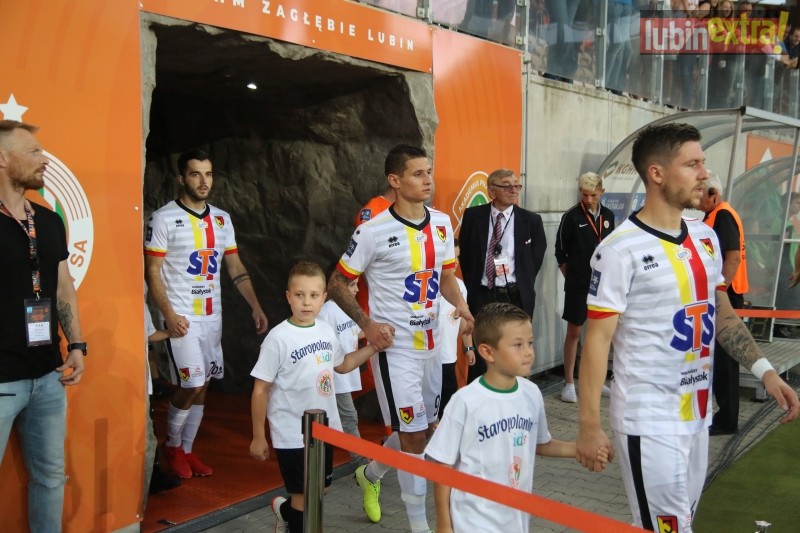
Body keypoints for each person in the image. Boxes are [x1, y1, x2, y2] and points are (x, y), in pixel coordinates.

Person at [576, 123, 799, 532]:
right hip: (649, 421)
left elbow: (721, 312)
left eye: (703, 163)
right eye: (692, 164)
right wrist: (589, 425)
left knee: (679, 523)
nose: (704, 174)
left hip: (698, 415)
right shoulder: (619, 250)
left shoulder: (704, 236)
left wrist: (765, 372)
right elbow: (596, 342)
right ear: (657, 173)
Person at [328, 144, 473, 533]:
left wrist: (462, 307)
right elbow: (337, 283)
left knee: (422, 431)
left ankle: (371, 474)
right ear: (394, 180)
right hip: (396, 351)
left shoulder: (441, 223)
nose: (428, 180)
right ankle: (419, 525)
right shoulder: (372, 231)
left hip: (433, 346)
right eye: (418, 174)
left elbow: (445, 277)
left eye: (429, 172)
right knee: (412, 437)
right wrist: (368, 324)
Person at [426, 302, 608, 533]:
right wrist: (444, 524)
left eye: (530, 343)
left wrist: (580, 450)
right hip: (472, 522)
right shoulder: (465, 401)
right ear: (487, 352)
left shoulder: (531, 394)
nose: (528, 352)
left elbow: (539, 443)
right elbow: (443, 464)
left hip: (515, 520)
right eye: (517, 345)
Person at [144, 148, 268, 479]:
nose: (203, 181)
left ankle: (187, 449)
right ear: (181, 178)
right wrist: (168, 314)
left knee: (204, 385)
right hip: (182, 317)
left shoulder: (221, 219)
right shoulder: (163, 218)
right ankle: (172, 445)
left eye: (208, 174)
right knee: (192, 382)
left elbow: (235, 266)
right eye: (196, 174)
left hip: (213, 316)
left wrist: (255, 305)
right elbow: (152, 271)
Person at [0, 120, 87, 532]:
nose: (44, 160)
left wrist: (77, 344)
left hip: (48, 376)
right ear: (3, 159)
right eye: (33, 152)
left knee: (51, 477)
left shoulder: (49, 221)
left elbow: (63, 287)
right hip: (1, 380)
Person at [250, 261, 378, 533]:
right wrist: (258, 436)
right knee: (306, 497)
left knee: (320, 489)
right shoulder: (278, 338)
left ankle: (283, 511)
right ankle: (294, 520)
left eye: (313, 295)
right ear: (288, 296)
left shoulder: (325, 330)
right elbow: (260, 389)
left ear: (324, 297)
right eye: (299, 295)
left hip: (323, 430)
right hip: (291, 432)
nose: (306, 302)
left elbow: (343, 364)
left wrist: (374, 347)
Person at [459, 168, 546, 383]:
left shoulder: (531, 221)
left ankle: (514, 394)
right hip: (482, 294)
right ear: (492, 191)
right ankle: (480, 397)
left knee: (514, 350)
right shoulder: (473, 216)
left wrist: (518, 284)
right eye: (507, 186)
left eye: (517, 185)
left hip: (515, 296)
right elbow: (466, 256)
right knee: (483, 351)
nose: (513, 190)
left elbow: (534, 261)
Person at [554, 172, 615, 403]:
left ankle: (595, 381)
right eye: (585, 194)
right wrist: (572, 277)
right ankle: (569, 383)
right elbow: (560, 252)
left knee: (598, 334)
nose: (588, 199)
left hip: (603, 284)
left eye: (593, 195)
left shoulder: (608, 215)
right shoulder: (571, 216)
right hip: (578, 284)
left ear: (602, 192)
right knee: (575, 333)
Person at [698, 174, 748, 435]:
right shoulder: (716, 214)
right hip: (725, 295)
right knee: (720, 359)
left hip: (726, 297)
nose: (696, 198)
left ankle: (727, 420)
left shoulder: (723, 215)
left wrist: (719, 292)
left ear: (713, 194)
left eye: (700, 193)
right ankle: (724, 416)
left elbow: (733, 258)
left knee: (726, 360)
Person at [318, 272, 366, 463]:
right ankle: (360, 461)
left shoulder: (348, 308)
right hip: (334, 375)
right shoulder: (327, 311)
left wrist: (380, 331)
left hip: (345, 373)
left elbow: (355, 333)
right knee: (349, 416)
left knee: (339, 417)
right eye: (352, 285)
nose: (357, 289)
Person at [437, 238, 474, 416]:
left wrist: (469, 348)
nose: (456, 262)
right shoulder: (427, 286)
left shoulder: (460, 286)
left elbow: (463, 322)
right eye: (452, 256)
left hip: (448, 358)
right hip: (428, 359)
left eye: (457, 257)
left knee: (447, 407)